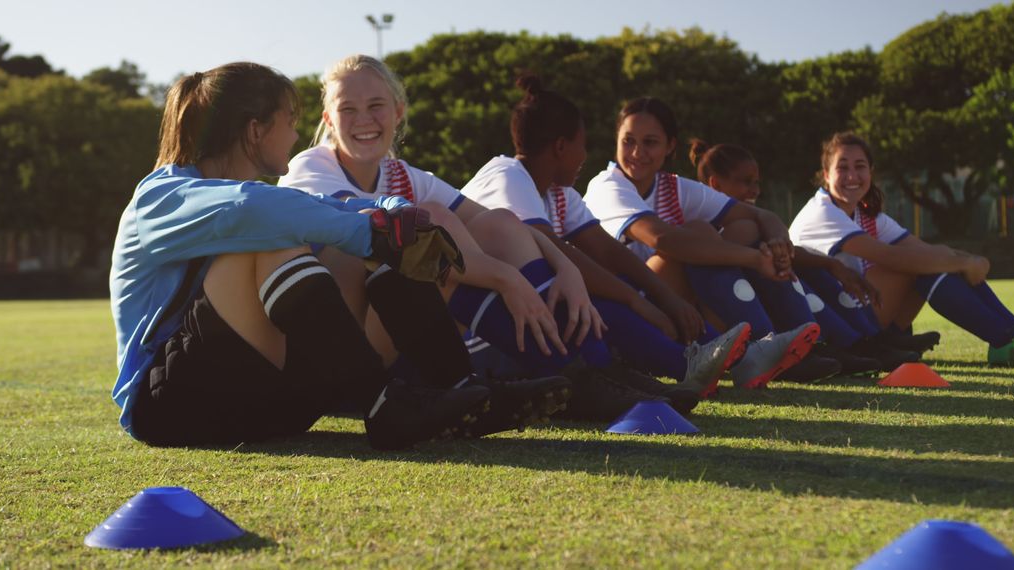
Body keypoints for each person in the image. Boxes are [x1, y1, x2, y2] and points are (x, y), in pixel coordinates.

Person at [109, 62, 539, 452]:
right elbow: (248, 208)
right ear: (256, 130)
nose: (297, 135)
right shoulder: (159, 197)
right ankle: (384, 402)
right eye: (291, 121)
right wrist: (369, 234)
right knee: (274, 241)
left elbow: (325, 211)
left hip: (268, 401)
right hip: (167, 405)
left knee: (354, 248)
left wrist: (388, 216)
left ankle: (460, 388)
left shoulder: (259, 197)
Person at [279, 55, 601, 385]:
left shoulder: (403, 175)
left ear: (398, 111)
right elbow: (375, 224)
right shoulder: (309, 167)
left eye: (376, 105)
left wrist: (566, 266)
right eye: (347, 109)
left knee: (499, 223)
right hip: (334, 355)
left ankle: (589, 364)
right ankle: (562, 368)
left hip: (394, 344)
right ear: (329, 121)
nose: (363, 119)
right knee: (424, 223)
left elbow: (503, 225)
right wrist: (506, 277)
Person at [461, 76, 751, 401]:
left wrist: (663, 299)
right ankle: (684, 365)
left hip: (527, 324)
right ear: (560, 147)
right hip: (482, 337)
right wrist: (636, 302)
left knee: (599, 291)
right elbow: (553, 253)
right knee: (589, 298)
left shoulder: (559, 193)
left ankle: (709, 355)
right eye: (582, 144)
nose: (585, 154)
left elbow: (606, 250)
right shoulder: (506, 175)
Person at [583, 97, 829, 388]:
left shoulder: (671, 186)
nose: (637, 152)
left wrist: (778, 241)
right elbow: (664, 239)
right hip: (623, 309)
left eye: (650, 142)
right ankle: (760, 345)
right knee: (696, 237)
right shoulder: (607, 185)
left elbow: (759, 214)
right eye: (628, 141)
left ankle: (783, 343)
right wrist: (753, 260)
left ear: (670, 146)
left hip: (662, 299)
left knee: (743, 228)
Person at [789, 131, 1014, 367]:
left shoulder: (867, 215)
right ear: (826, 175)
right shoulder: (822, 212)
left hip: (857, 313)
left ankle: (1013, 337)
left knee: (931, 262)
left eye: (860, 167)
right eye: (842, 168)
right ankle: (1007, 341)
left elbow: (926, 250)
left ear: (871, 172)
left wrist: (967, 259)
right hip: (828, 325)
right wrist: (963, 262)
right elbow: (894, 258)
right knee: (920, 267)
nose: (852, 176)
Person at [687, 139, 921, 377]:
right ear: (715, 184)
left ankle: (858, 342)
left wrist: (830, 264)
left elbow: (772, 227)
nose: (756, 190)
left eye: (757, 183)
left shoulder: (743, 218)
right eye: (746, 182)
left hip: (749, 310)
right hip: (708, 320)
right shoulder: (702, 219)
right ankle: (792, 349)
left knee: (810, 265)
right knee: (780, 258)